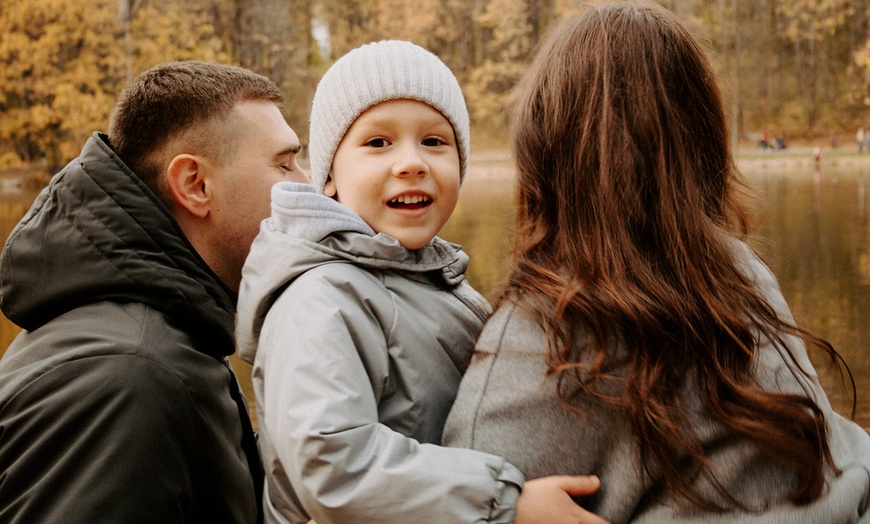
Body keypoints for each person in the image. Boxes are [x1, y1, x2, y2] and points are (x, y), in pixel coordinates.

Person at [443, 3, 870, 523]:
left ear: (542, 145)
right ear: (704, 137)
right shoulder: (737, 267)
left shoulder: (548, 321)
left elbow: (464, 489)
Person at [236, 40, 605, 524]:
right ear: (329, 178)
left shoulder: (439, 283)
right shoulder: (322, 296)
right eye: (377, 143)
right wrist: (506, 504)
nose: (411, 162)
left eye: (434, 141)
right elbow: (331, 465)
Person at [0, 61, 309, 523]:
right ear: (194, 184)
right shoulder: (129, 377)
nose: (308, 187)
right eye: (284, 163)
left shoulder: (166, 334)